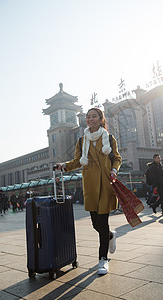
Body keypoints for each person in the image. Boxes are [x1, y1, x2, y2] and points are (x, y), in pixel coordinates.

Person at [55, 108, 122, 275]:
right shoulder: (81, 141)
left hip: (106, 184)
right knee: (95, 224)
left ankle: (102, 260)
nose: (90, 119)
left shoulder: (109, 138)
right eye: (88, 117)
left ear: (101, 119)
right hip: (90, 185)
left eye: (94, 117)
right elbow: (78, 161)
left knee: (103, 221)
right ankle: (110, 236)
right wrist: (64, 166)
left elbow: (117, 158)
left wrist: (114, 170)